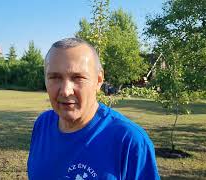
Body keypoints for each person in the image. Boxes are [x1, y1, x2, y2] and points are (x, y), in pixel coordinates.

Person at [27, 38, 160, 180]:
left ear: (98, 80)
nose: (66, 91)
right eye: (55, 77)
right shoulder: (42, 124)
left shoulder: (129, 141)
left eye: (77, 77)